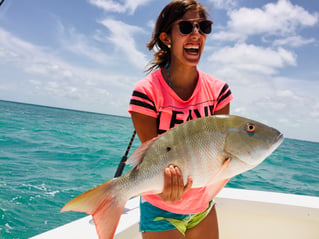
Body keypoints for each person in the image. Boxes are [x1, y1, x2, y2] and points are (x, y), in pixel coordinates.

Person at [128, 0, 233, 238]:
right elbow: (154, 157)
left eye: (203, 27)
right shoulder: (146, 92)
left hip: (203, 206)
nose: (196, 34)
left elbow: (220, 152)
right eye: (186, 28)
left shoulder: (219, 92)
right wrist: (165, 188)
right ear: (167, 38)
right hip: (160, 207)